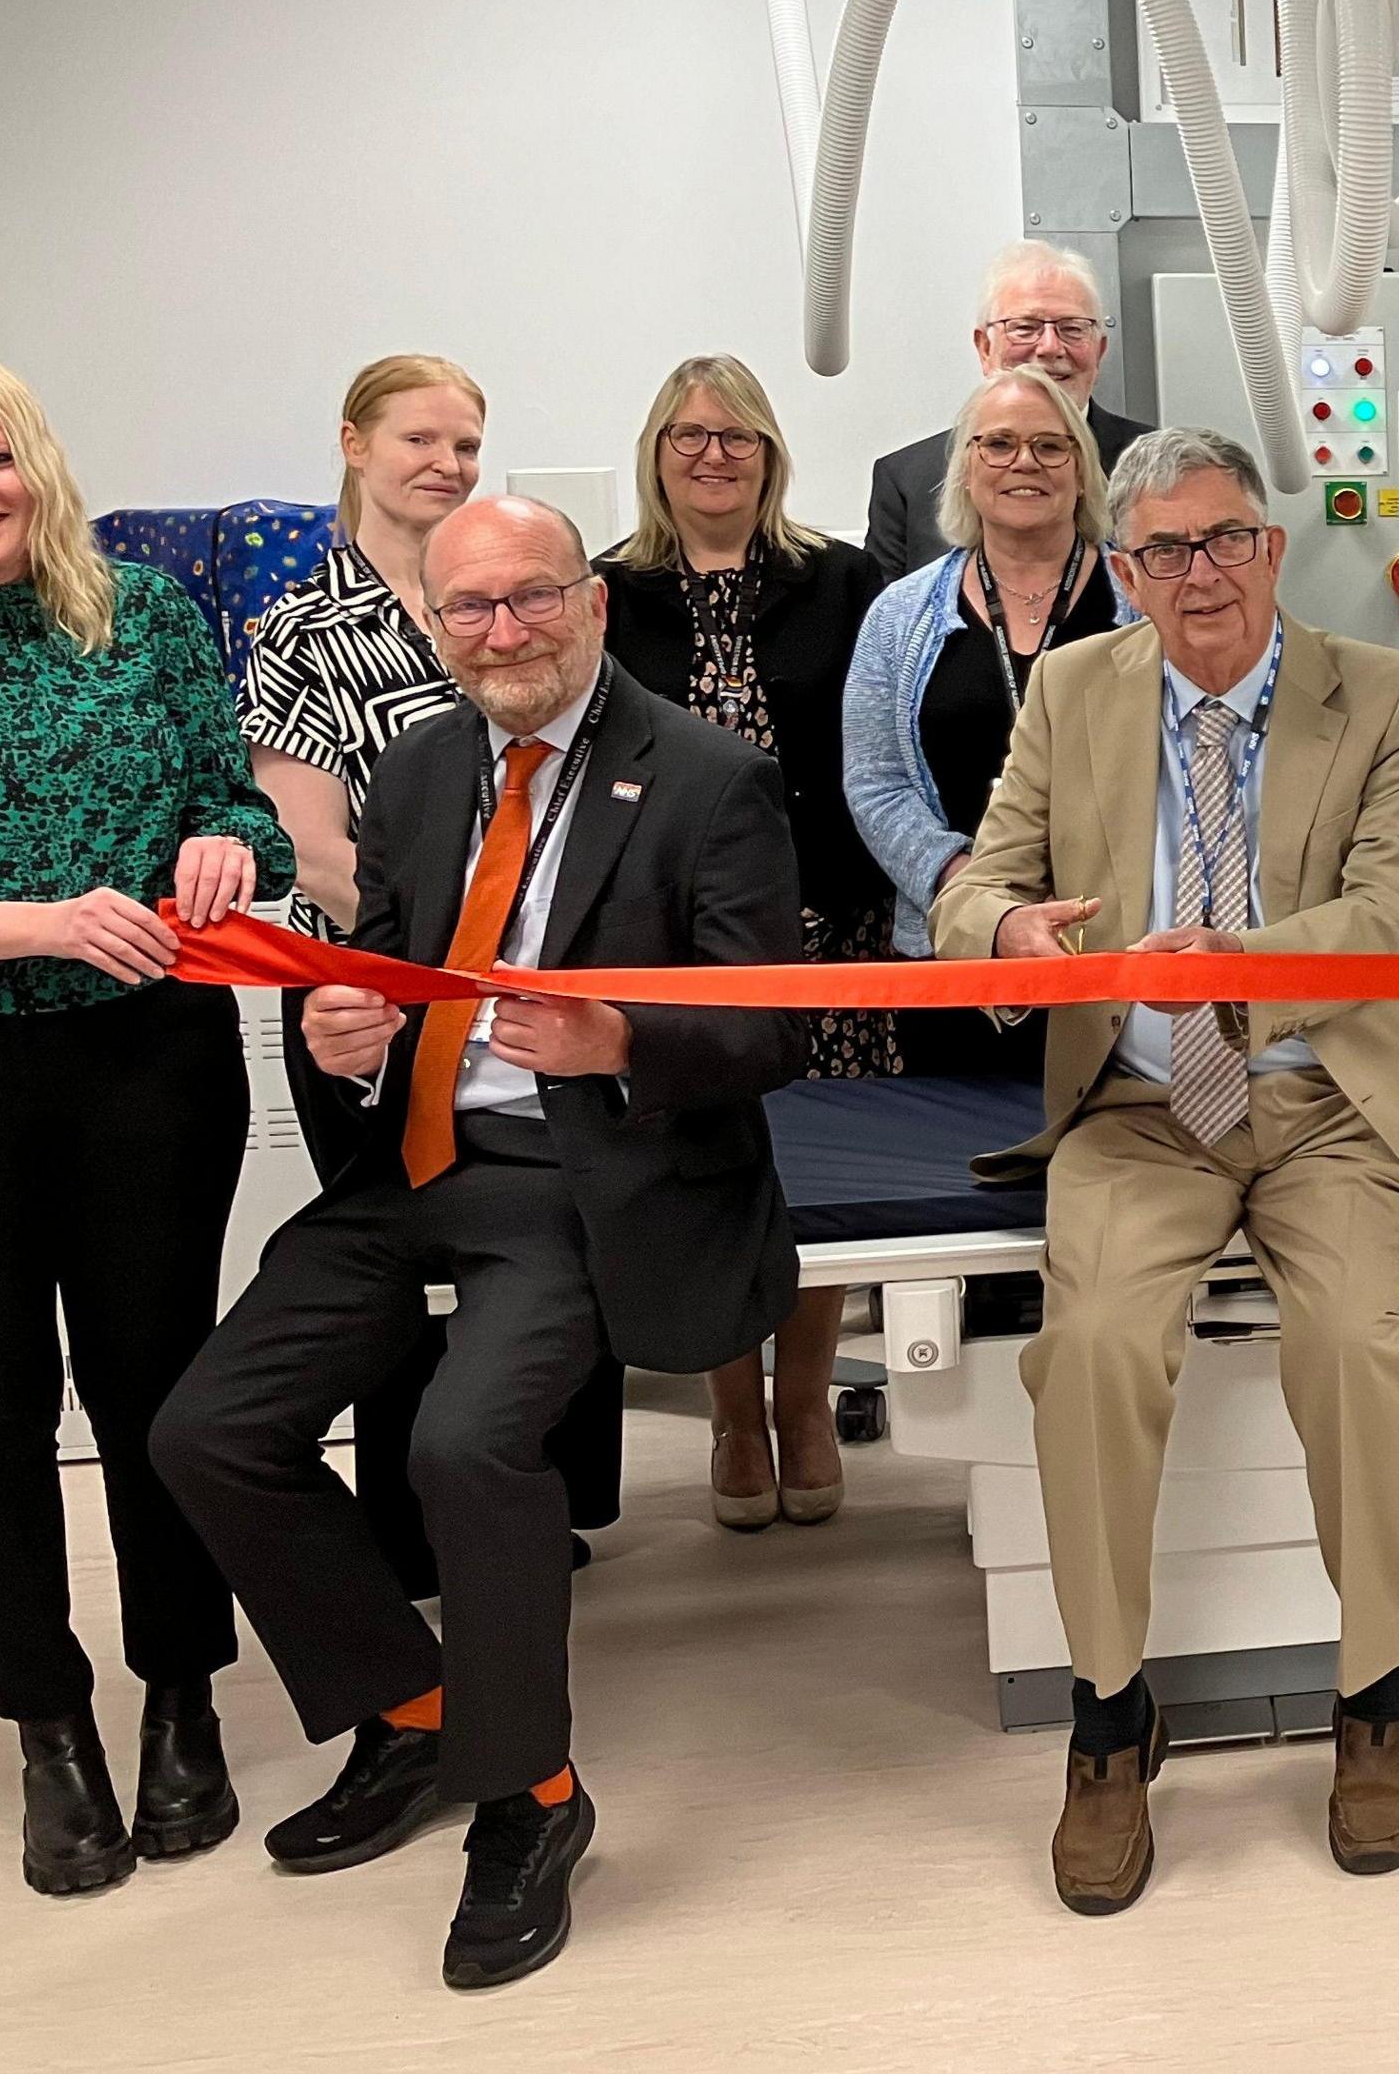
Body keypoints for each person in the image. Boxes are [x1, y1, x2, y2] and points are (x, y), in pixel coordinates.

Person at [153, 498, 807, 1991]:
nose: (501, 633)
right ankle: (411, 1712)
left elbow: (769, 1023)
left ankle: (532, 1798)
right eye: (468, 611)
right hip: (412, 1163)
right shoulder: (424, 764)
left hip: (587, 1177)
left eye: (530, 600)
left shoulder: (712, 778)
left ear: (589, 600)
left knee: (467, 1447)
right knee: (208, 1428)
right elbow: (379, 964)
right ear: (433, 624)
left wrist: (616, 1032)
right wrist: (343, 1031)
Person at [932, 426, 1399, 1916]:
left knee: (1354, 1347)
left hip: (1332, 1099)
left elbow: (1393, 913)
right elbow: (980, 878)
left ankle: (1375, 1700)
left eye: (1227, 538)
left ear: (1275, 548)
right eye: (1165, 550)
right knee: (1092, 1349)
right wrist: (1012, 936)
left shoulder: (1388, 697)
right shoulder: (1071, 689)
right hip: (1140, 1107)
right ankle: (1109, 1719)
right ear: (1125, 572)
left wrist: (1230, 968)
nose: (1202, 573)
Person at [0, 347, 290, 1895]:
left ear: (40, 465)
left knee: (159, 1394)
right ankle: (49, 1725)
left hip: (141, 1065)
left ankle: (183, 1703)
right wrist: (31, 923)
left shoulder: (138, 614)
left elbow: (243, 802)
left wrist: (224, 846)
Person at [245, 354, 624, 1590]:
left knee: (544, 1254)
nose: (446, 465)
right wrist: (442, 959)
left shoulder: (506, 591)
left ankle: (517, 1507)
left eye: (466, 444)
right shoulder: (303, 628)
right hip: (370, 990)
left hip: (531, 1000)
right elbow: (306, 837)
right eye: (419, 440)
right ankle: (412, 1538)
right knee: (398, 1271)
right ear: (353, 444)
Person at [600, 355, 887, 1528]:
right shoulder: (605, 590)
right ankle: (731, 1408)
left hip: (828, 919)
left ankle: (808, 1399)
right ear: (656, 453)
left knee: (813, 1171)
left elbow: (878, 740)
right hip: (675, 936)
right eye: (689, 436)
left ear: (770, 454)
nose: (713, 455)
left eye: (737, 437)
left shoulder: (845, 580)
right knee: (709, 1166)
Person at [844, 366, 1114, 1080]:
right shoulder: (898, 617)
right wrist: (976, 895)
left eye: (1051, 447)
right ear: (965, 470)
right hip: (954, 951)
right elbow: (875, 783)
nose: (1024, 463)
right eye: (997, 445)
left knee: (1126, 1168)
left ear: (1083, 472)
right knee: (964, 1172)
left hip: (1118, 945)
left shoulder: (1146, 601)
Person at [863, 239, 1147, 586]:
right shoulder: (907, 482)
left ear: (1099, 351)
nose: (1049, 347)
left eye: (1072, 328)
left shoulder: (1157, 466)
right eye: (1025, 327)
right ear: (984, 347)